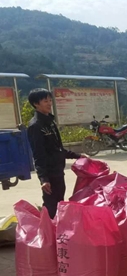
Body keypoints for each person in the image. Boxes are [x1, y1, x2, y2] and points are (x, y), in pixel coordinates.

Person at [27, 88, 83, 219]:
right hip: (49, 174)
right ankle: (47, 229)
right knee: (51, 207)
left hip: (58, 172)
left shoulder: (50, 122)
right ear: (36, 104)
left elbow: (58, 149)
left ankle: (56, 228)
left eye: (50, 100)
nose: (49, 103)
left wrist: (78, 156)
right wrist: (43, 179)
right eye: (45, 101)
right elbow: (38, 154)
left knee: (59, 204)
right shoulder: (35, 126)